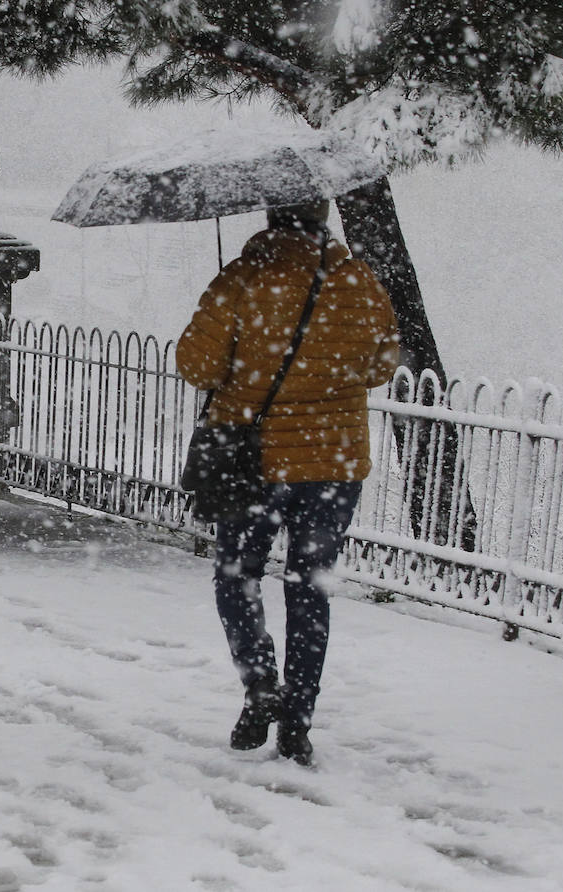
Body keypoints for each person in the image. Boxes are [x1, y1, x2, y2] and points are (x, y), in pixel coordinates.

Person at [175, 200, 400, 766]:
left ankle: (259, 684)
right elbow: (380, 365)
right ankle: (298, 718)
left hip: (253, 460)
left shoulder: (242, 278)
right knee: (309, 588)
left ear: (271, 213)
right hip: (332, 464)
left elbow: (196, 366)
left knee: (238, 576)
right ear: (322, 215)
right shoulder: (356, 280)